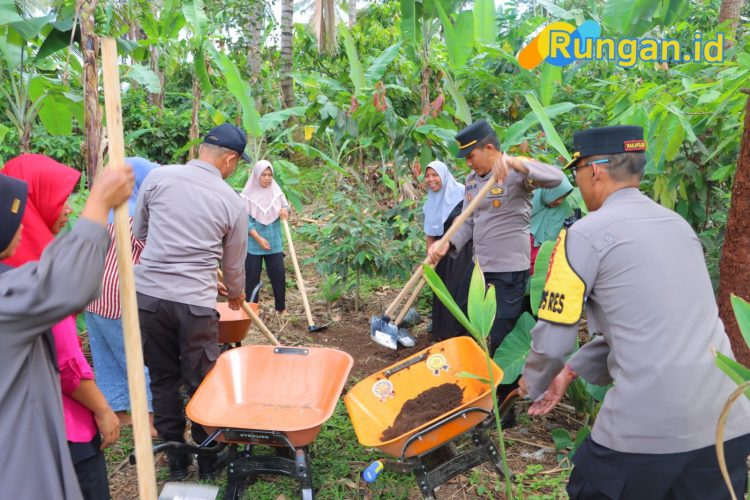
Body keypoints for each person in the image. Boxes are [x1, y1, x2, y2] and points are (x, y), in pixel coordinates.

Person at [518, 126, 750, 499]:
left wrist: (533, 381)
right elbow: (657, 325)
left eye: (576, 171)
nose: (576, 181)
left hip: (646, 431)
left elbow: (553, 339)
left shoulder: (582, 235)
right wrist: (571, 371)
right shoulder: (679, 227)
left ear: (594, 170)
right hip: (728, 422)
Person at [0, 164, 133, 500]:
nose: (69, 208)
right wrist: (99, 201)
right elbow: (66, 286)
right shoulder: (12, 293)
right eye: (18, 210)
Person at [133, 123, 249, 480]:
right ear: (229, 159)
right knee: (202, 381)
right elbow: (233, 266)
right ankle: (209, 460)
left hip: (149, 297)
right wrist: (235, 293)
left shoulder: (158, 177)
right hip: (195, 305)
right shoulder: (232, 201)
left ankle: (177, 462)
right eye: (237, 164)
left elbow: (138, 232)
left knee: (163, 378)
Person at [427, 119, 563, 357]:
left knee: (498, 334)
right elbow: (468, 221)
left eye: (471, 156)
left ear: (489, 149)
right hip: (479, 267)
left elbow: (556, 178)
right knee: (464, 320)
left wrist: (516, 163)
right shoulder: (471, 180)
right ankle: (471, 375)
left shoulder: (517, 173)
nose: (468, 163)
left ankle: (498, 388)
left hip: (507, 270)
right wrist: (446, 243)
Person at [86, 157, 158, 431]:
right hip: (121, 297)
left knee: (106, 357)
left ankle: (118, 413)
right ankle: (150, 419)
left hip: (94, 293)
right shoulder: (137, 216)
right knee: (140, 358)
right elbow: (152, 253)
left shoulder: (100, 213)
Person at [422, 160, 472, 340]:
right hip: (439, 254)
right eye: (427, 176)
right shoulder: (429, 203)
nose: (430, 179)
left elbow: (468, 223)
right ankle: (441, 335)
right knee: (440, 291)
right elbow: (430, 234)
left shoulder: (461, 193)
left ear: (443, 175)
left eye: (434, 175)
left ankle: (457, 336)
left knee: (456, 291)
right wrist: (430, 261)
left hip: (460, 252)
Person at [240, 160, 289, 315]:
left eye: (269, 175)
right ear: (256, 176)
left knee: (278, 275)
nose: (267, 178)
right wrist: (259, 239)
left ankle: (281, 308)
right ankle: (252, 310)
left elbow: (285, 206)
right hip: (254, 244)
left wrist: (285, 209)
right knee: (252, 277)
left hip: (274, 242)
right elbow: (245, 221)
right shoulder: (247, 195)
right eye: (263, 175)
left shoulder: (276, 191)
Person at [529, 175, 574, 272]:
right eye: (558, 195)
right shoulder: (526, 203)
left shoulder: (566, 210)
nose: (560, 201)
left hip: (548, 271)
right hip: (518, 267)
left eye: (564, 196)